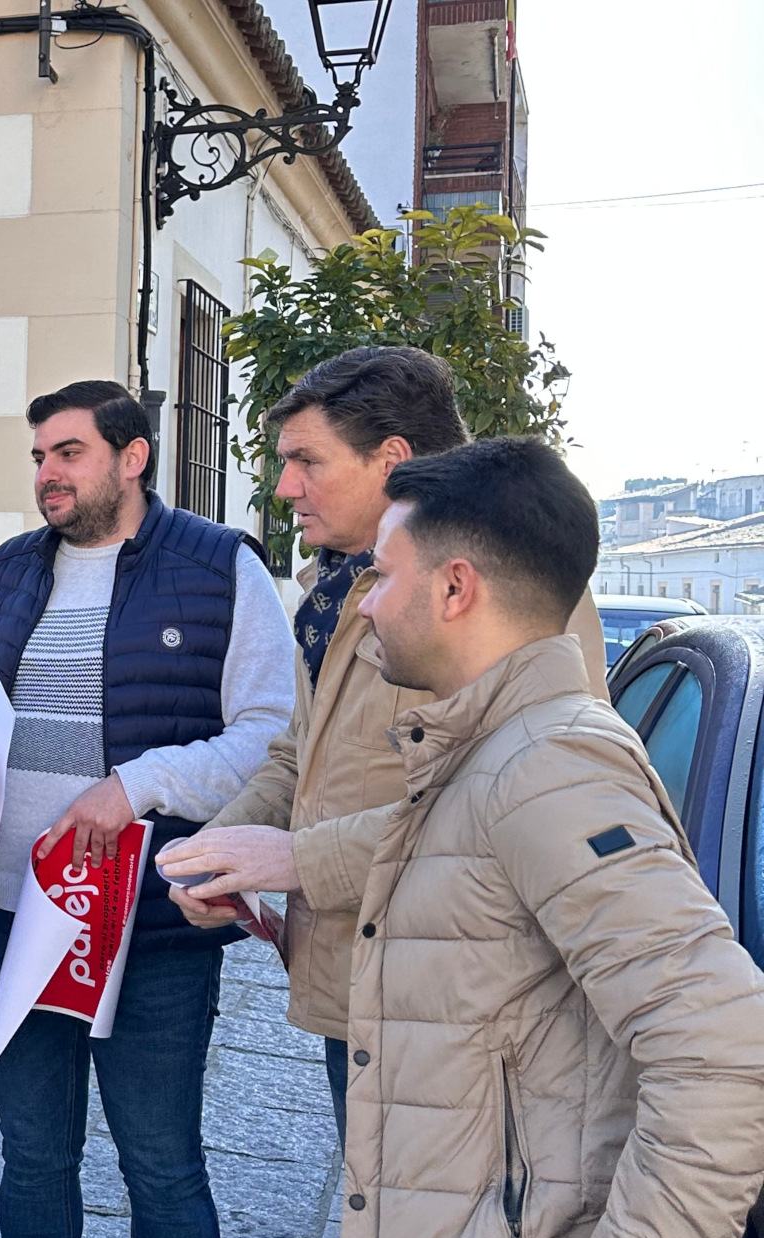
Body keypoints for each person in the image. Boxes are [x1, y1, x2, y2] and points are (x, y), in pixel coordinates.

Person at [298, 437, 764, 1238]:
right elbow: (440, 848)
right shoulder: (496, 750)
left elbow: (723, 1045)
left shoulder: (549, 764)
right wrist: (282, 860)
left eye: (385, 576)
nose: (366, 607)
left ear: (454, 587)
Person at [152, 346, 609, 1141]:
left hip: (461, 1002)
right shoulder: (341, 586)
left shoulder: (506, 587)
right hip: (361, 985)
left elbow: (519, 808)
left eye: (306, 461)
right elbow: (298, 754)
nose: (284, 487)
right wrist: (223, 847)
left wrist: (296, 858)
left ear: (391, 459)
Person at [0, 380, 295, 1238]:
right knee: (32, 1160)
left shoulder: (220, 566)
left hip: (148, 927)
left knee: (161, 1168)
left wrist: (137, 785)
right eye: (39, 456)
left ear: (132, 456)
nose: (48, 472)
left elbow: (272, 734)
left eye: (69, 452)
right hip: (13, 918)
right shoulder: (9, 568)